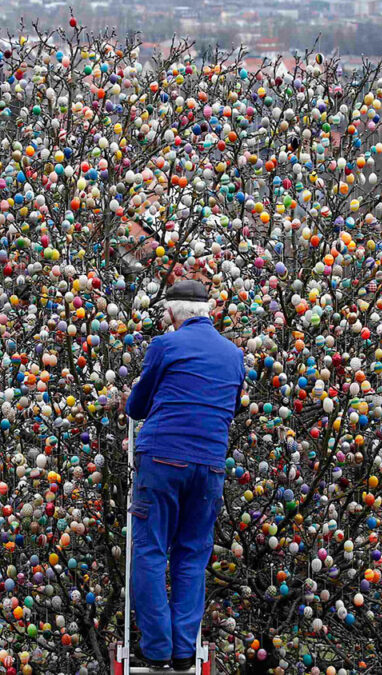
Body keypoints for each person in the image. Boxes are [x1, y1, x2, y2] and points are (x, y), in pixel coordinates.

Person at [121, 279, 246, 671]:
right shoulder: (234, 355)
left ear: (174, 313)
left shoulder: (166, 346)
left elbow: (137, 408)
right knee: (192, 554)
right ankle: (183, 652)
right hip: (209, 464)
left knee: (151, 549)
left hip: (162, 460)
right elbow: (232, 406)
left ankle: (157, 649)